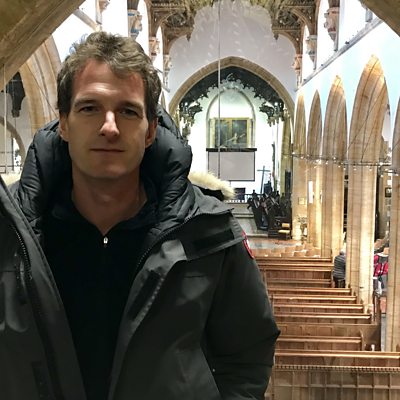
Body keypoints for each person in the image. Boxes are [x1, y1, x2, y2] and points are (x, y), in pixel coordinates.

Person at [0, 32, 279, 400]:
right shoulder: (9, 231)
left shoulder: (207, 232)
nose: (109, 127)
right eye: (89, 108)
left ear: (150, 130)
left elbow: (247, 353)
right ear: (63, 123)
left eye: (128, 111)